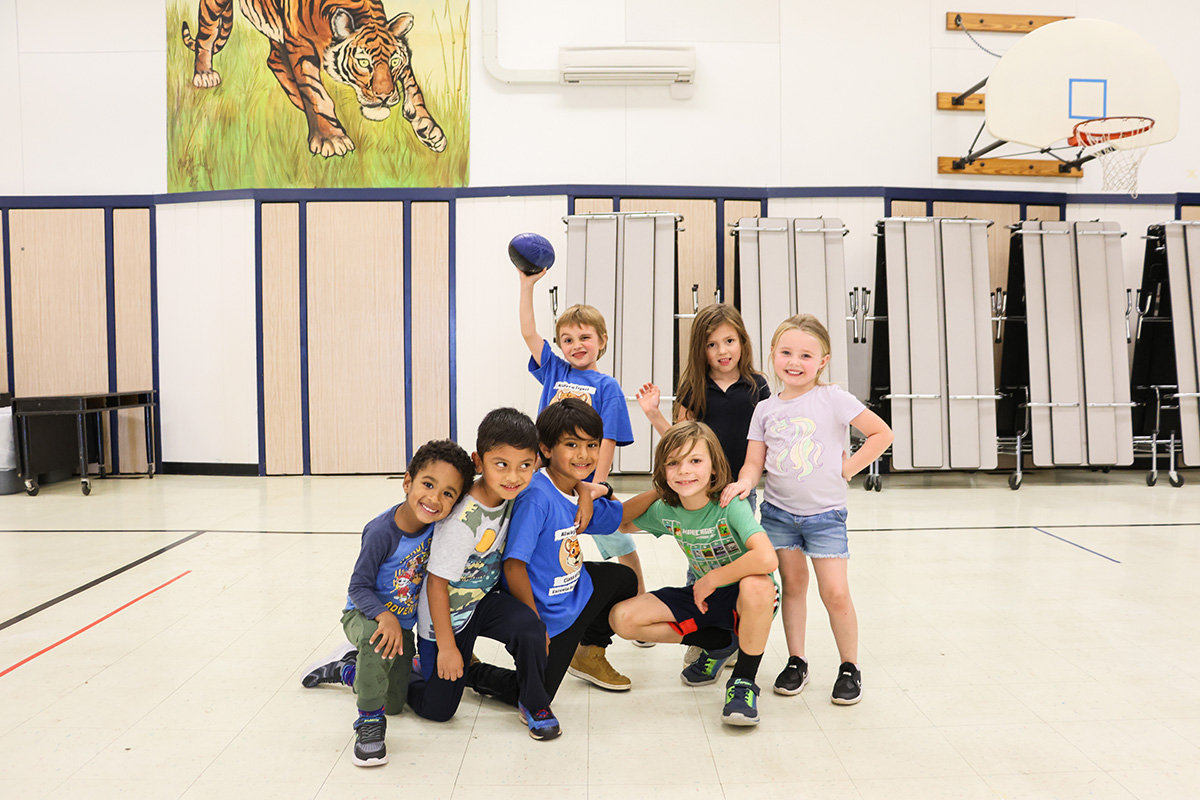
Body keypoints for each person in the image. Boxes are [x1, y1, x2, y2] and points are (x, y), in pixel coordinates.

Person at [721, 314, 892, 705]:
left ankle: (849, 666)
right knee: (794, 589)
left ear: (823, 360)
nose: (794, 362)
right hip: (780, 515)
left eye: (805, 355)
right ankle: (797, 660)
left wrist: (847, 468)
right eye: (786, 352)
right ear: (772, 355)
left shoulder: (833, 398)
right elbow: (753, 462)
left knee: (835, 593)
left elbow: (882, 433)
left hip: (826, 516)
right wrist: (745, 481)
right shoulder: (765, 409)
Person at [303, 439, 476, 767]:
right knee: (376, 642)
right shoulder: (382, 531)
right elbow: (358, 586)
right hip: (365, 613)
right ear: (407, 481)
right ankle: (369, 724)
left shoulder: (440, 527)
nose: (434, 498)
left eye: (448, 493)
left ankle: (347, 669)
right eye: (427, 484)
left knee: (395, 703)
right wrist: (383, 615)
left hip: (404, 625)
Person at [608, 421, 779, 726]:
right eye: (673, 463)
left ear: (714, 468)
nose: (684, 471)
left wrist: (712, 579)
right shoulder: (667, 510)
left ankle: (743, 682)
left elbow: (767, 558)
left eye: (695, 461)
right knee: (622, 618)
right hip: (705, 599)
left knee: (758, 586)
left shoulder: (730, 503)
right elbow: (621, 522)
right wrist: (659, 490)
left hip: (745, 599)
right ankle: (717, 642)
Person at [470, 399, 640, 704]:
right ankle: (473, 672)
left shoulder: (577, 489)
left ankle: (587, 653)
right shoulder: (536, 496)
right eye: (572, 444)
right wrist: (535, 626)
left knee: (624, 579)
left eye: (592, 445)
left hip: (574, 592)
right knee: (534, 695)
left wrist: (596, 490)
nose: (584, 454)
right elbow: (513, 567)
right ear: (546, 449)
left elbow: (622, 515)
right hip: (544, 611)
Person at [408, 408, 562, 740]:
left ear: (535, 461)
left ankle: (534, 704)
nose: (513, 476)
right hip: (445, 616)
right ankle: (408, 671)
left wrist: (596, 492)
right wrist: (447, 648)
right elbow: (436, 584)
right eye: (501, 464)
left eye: (524, 465)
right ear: (479, 462)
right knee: (439, 709)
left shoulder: (514, 494)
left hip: (483, 601)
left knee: (532, 628)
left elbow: (562, 478)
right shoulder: (464, 521)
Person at [634, 302, 770, 667]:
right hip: (698, 489)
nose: (722, 351)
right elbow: (680, 444)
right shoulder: (694, 387)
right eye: (712, 345)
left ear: (742, 340)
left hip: (737, 489)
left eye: (729, 341)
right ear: (700, 350)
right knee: (700, 559)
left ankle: (740, 626)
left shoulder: (756, 386)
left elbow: (770, 437)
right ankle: (709, 633)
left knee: (737, 554)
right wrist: (653, 415)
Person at [517, 265, 647, 598]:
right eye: (567, 339)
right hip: (546, 475)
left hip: (585, 479)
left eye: (585, 337)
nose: (576, 345)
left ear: (602, 341)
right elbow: (530, 333)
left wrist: (592, 488)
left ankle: (638, 596)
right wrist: (526, 285)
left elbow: (608, 439)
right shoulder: (554, 370)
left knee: (617, 536)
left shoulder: (607, 386)